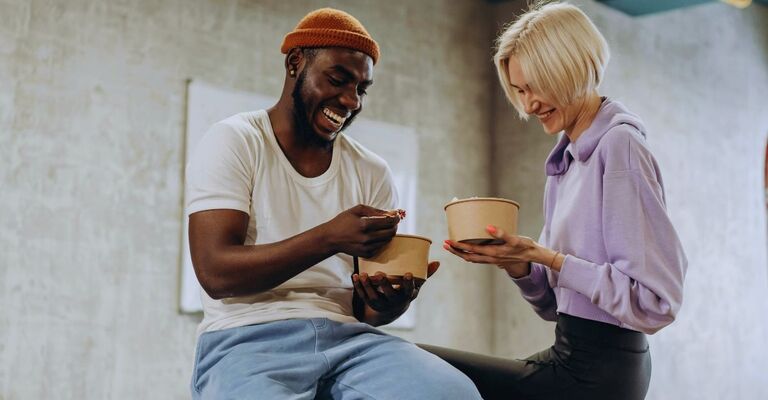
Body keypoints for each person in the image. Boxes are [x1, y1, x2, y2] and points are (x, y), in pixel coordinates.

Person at [185, 7, 482, 400]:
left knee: (453, 393)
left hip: (349, 340)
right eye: (338, 79)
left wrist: (391, 301)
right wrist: (328, 238)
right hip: (245, 337)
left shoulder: (372, 171)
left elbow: (366, 312)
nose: (351, 100)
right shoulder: (236, 140)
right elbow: (215, 273)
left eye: (361, 88)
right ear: (295, 64)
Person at [443, 2, 688, 399]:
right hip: (570, 355)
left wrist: (550, 258)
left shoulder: (619, 146)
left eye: (536, 86)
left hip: (603, 372)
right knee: (418, 367)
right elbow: (555, 308)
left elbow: (656, 302)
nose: (527, 105)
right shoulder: (564, 163)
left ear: (571, 68)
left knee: (427, 369)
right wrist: (519, 263)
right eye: (519, 90)